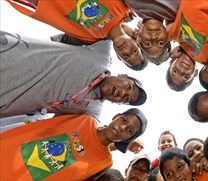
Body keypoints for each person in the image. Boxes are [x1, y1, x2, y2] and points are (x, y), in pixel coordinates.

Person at [0, 108, 147, 181]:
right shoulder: (84, 119)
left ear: (128, 139)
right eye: (124, 120)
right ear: (116, 116)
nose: (122, 128)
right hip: (8, 155)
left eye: (129, 130)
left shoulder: (105, 163)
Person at [0, 30, 147, 120]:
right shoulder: (101, 54)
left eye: (125, 99)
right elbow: (107, 24)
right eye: (128, 87)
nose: (122, 92)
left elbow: (96, 136)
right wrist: (127, 30)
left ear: (118, 104)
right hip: (7, 51)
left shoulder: (91, 111)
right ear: (124, 75)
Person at [6, 0, 148, 70]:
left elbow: (56, 46)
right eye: (134, 50)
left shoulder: (89, 39)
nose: (126, 51)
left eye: (126, 57)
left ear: (118, 56)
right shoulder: (123, 8)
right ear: (136, 40)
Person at [122, 0, 181, 65]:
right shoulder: (176, 9)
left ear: (139, 39)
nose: (153, 37)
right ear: (167, 37)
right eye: (160, 43)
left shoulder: (130, 5)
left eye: (147, 43)